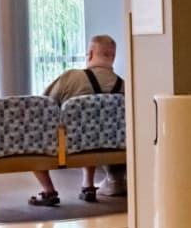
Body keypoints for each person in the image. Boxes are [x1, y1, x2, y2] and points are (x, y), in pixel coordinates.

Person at [28, 34, 124, 207]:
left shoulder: (71, 78)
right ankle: (88, 185)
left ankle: (49, 191)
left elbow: (42, 105)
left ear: (90, 54)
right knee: (93, 130)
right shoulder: (124, 86)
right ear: (113, 57)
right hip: (111, 146)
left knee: (34, 133)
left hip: (69, 147)